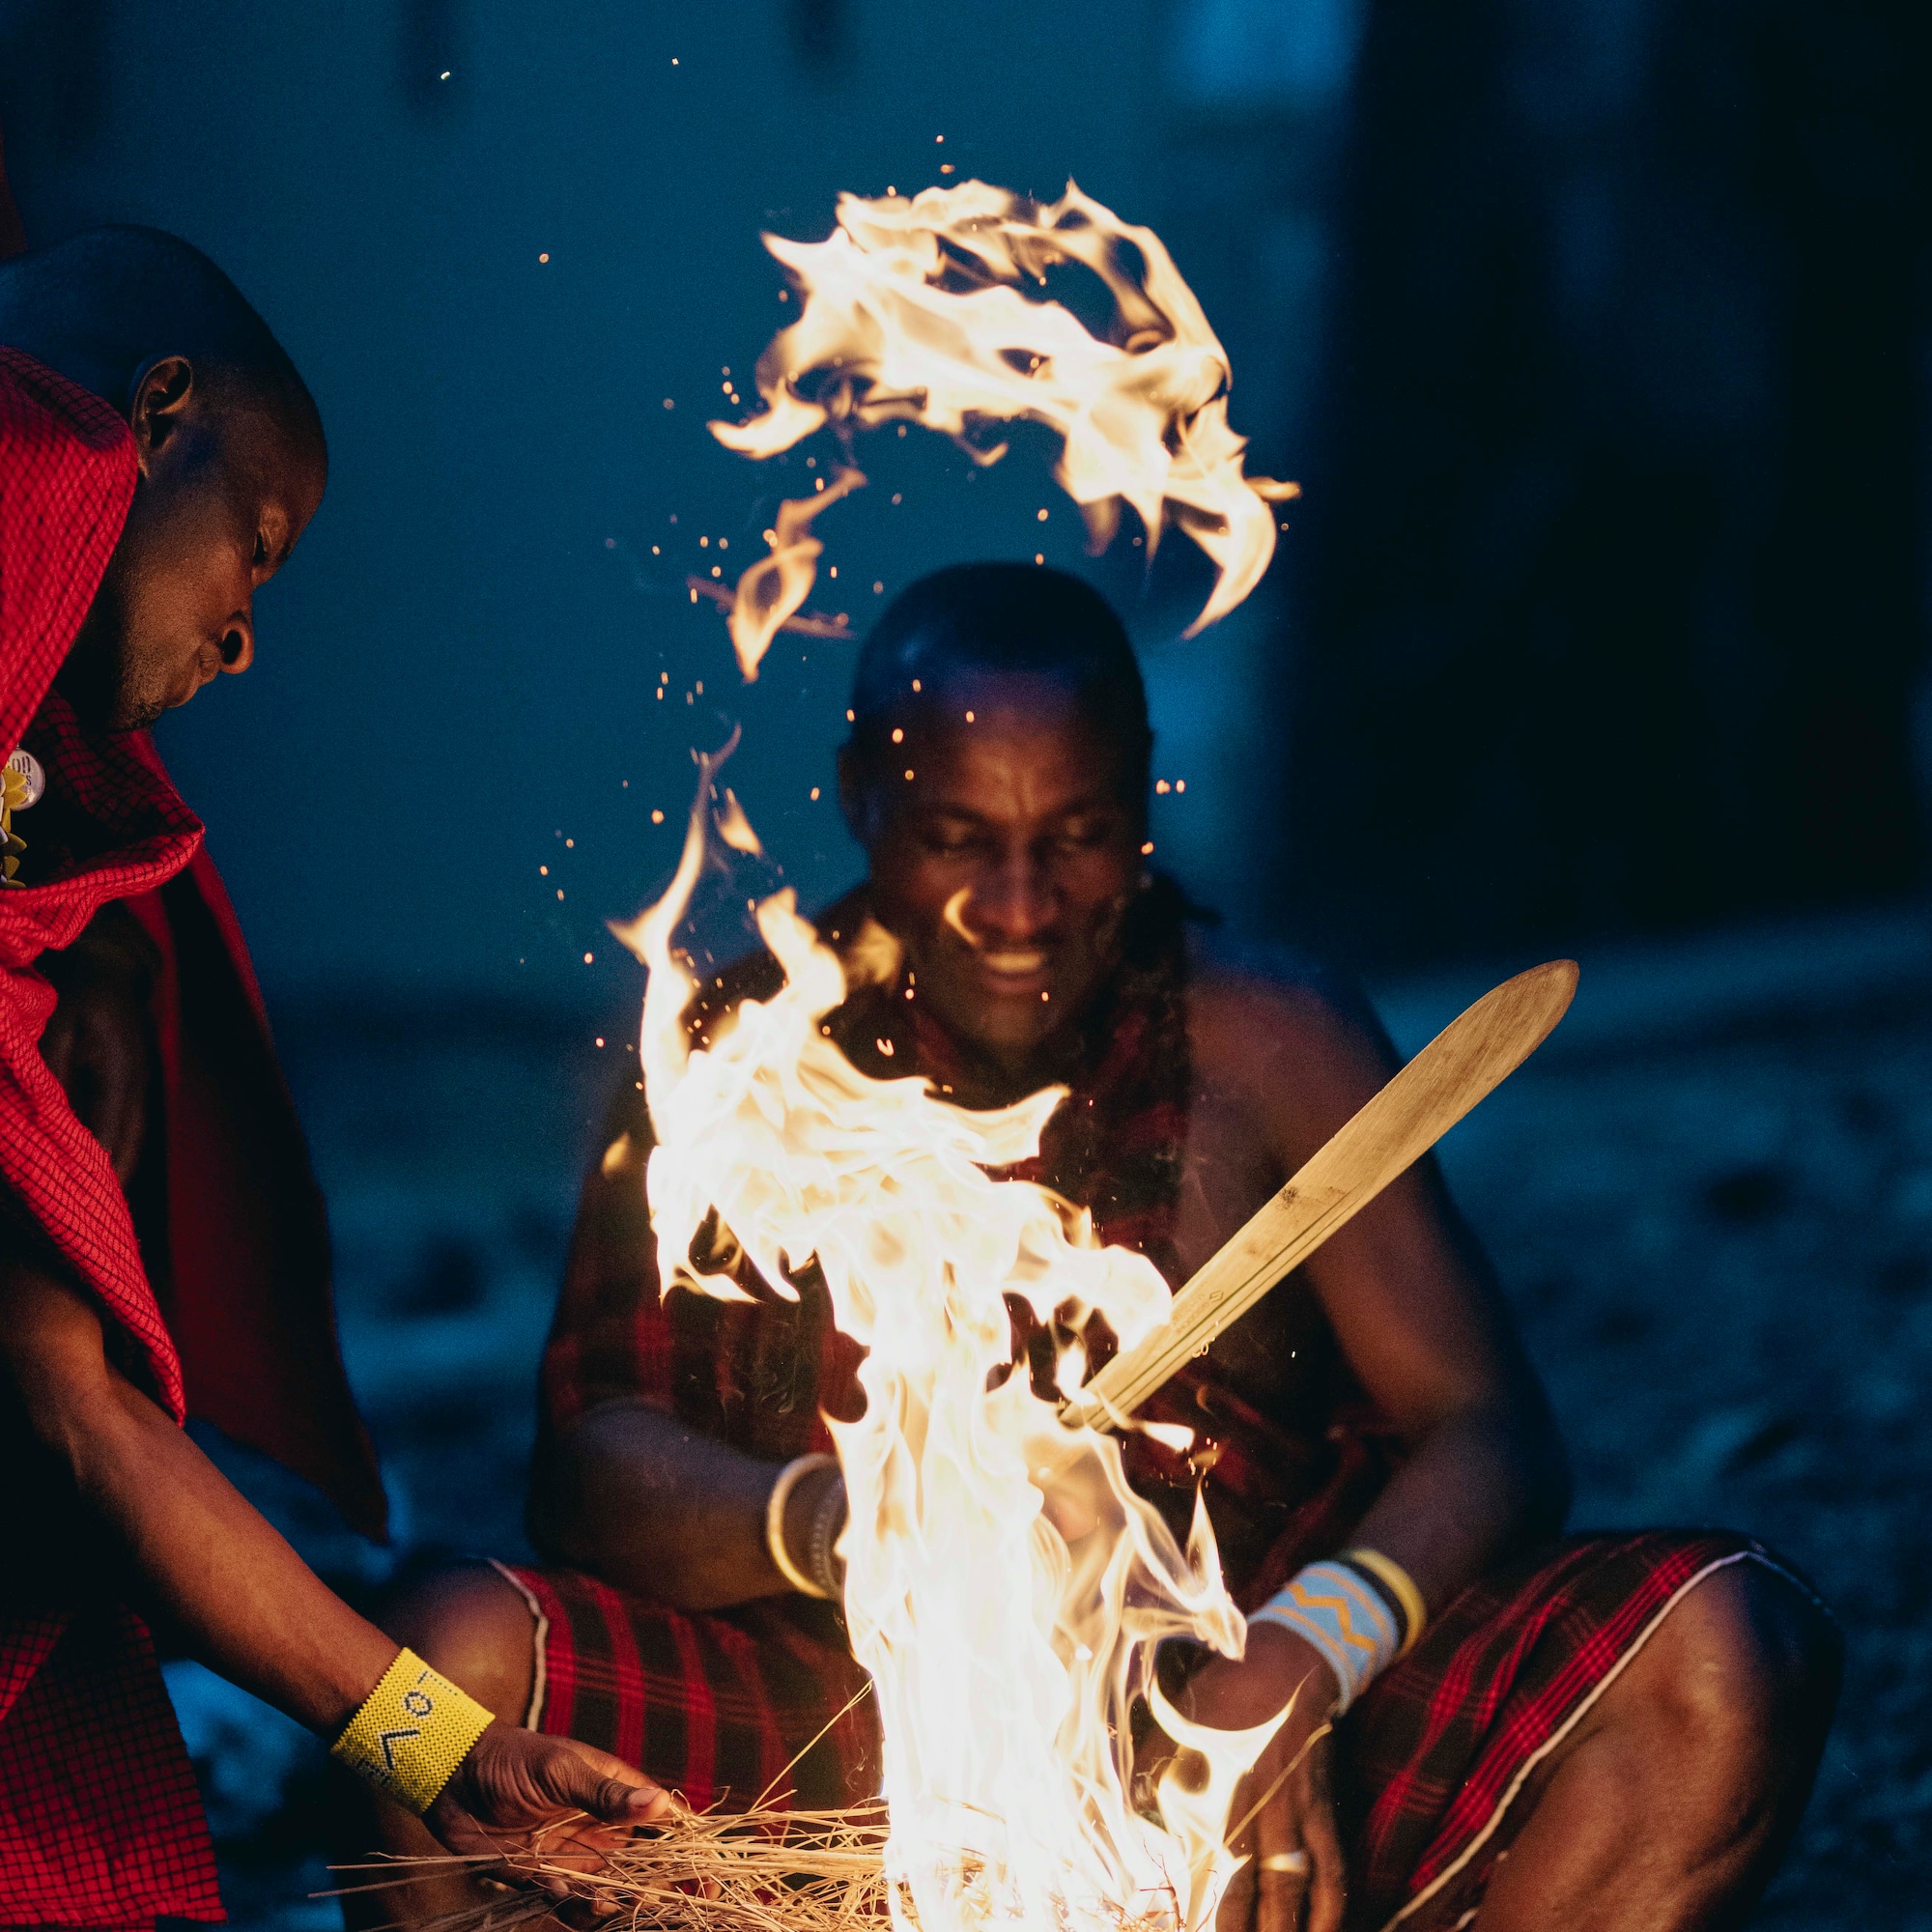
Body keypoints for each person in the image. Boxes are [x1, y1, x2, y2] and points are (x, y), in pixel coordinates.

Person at [368, 564, 1840, 1932]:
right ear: (863, 806)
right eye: (959, 842)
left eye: (1072, 840)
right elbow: (585, 1474)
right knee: (416, 1686)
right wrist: (865, 1521)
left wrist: (1302, 1658)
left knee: (1725, 1659)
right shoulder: (730, 1063)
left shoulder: (1271, 1040)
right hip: (835, 1766)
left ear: (1141, 808)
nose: (1020, 907)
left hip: (1252, 1761)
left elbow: (1489, 1430)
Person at [0, 226, 670, 1931]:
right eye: (263, 549)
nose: (244, 641)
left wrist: (447, 1751)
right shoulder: (36, 454)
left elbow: (72, 1412)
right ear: (156, 415)